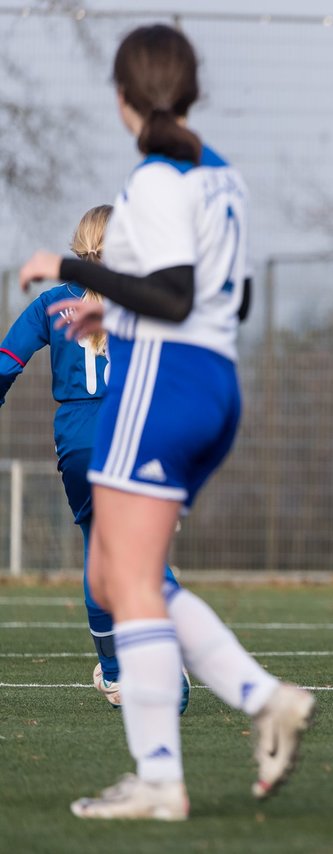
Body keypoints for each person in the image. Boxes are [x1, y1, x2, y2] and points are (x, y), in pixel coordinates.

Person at [19, 24, 312, 821]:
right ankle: (259, 699)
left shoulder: (152, 180)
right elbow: (230, 298)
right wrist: (112, 309)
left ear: (122, 97)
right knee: (121, 574)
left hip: (163, 385)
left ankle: (163, 775)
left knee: (126, 581)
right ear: (189, 91)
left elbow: (176, 295)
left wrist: (69, 269)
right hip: (213, 383)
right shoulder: (221, 177)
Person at [0, 205, 190, 714]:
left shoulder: (50, 303)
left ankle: (114, 671)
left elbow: (5, 363)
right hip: (131, 430)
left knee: (98, 544)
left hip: (79, 435)